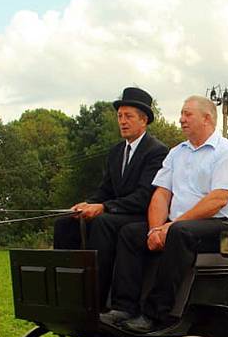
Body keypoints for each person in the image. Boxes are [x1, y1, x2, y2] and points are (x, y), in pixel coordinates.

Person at [103, 95, 228, 333]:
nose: (181, 120)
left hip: (221, 226)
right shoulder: (176, 153)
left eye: (187, 114)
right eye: (181, 114)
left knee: (180, 233)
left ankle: (157, 314)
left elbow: (217, 200)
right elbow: (161, 194)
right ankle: (123, 307)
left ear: (207, 118)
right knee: (130, 233)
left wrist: (170, 227)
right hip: (178, 225)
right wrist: (155, 229)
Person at [53, 87, 168, 303]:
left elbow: (145, 196)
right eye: (120, 116)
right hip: (116, 212)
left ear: (143, 121)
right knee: (65, 223)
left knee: (102, 223)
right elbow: (105, 189)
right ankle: (67, 291)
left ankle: (97, 296)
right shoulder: (116, 152)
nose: (122, 121)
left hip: (140, 214)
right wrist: (88, 203)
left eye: (128, 116)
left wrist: (104, 207)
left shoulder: (157, 151)